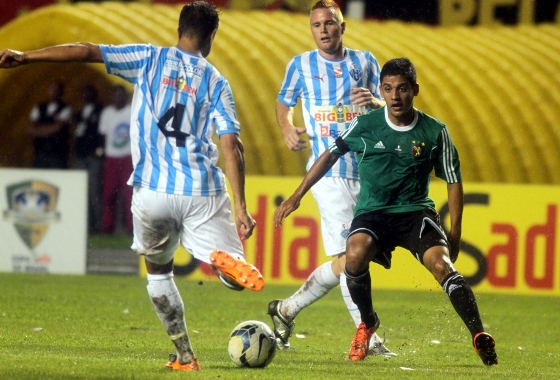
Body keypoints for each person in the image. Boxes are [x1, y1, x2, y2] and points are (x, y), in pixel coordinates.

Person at [0, 1, 265, 372]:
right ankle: (222, 260)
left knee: (158, 273)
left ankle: (185, 356)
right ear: (212, 36)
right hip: (199, 188)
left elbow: (87, 51)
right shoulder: (216, 81)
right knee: (235, 278)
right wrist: (240, 206)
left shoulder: (148, 59)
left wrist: (26, 56)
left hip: (151, 191)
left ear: (178, 30)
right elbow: (230, 145)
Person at [274, 57, 498, 366]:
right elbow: (329, 154)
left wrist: (455, 232)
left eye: (403, 89)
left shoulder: (435, 131)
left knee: (442, 265)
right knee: (352, 254)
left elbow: (453, 180)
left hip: (416, 213)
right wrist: (297, 194)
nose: (395, 96)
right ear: (381, 89)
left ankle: (478, 336)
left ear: (415, 90)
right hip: (374, 213)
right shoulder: (367, 125)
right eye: (389, 89)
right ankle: (367, 323)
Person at [269, 0, 395, 357]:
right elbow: (284, 101)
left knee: (353, 261)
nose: (323, 30)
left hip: (366, 174)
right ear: (311, 30)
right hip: (329, 173)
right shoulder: (301, 65)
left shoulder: (365, 62)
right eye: (316, 25)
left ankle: (287, 308)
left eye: (329, 23)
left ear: (343, 27)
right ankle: (368, 338)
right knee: (349, 257)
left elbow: (389, 103)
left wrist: (374, 100)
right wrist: (287, 127)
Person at [98, 84, 133, 235]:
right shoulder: (107, 113)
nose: (118, 97)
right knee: (109, 194)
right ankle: (107, 228)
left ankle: (132, 228)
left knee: (129, 195)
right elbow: (103, 134)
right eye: (116, 94)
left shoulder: (131, 111)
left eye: (121, 94)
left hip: (128, 157)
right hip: (112, 158)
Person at [73, 84, 105, 234]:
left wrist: (99, 150)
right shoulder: (79, 112)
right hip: (80, 155)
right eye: (84, 93)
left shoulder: (101, 110)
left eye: (88, 93)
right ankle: (83, 225)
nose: (86, 96)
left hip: (93, 156)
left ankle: (97, 226)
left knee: (94, 191)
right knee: (80, 191)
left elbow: (103, 132)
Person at [28, 81, 72, 169]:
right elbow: (30, 128)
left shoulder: (66, 108)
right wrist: (49, 129)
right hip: (40, 152)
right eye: (52, 89)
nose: (54, 92)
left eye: (57, 90)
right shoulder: (39, 107)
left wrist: (39, 129)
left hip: (58, 154)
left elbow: (58, 127)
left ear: (61, 92)